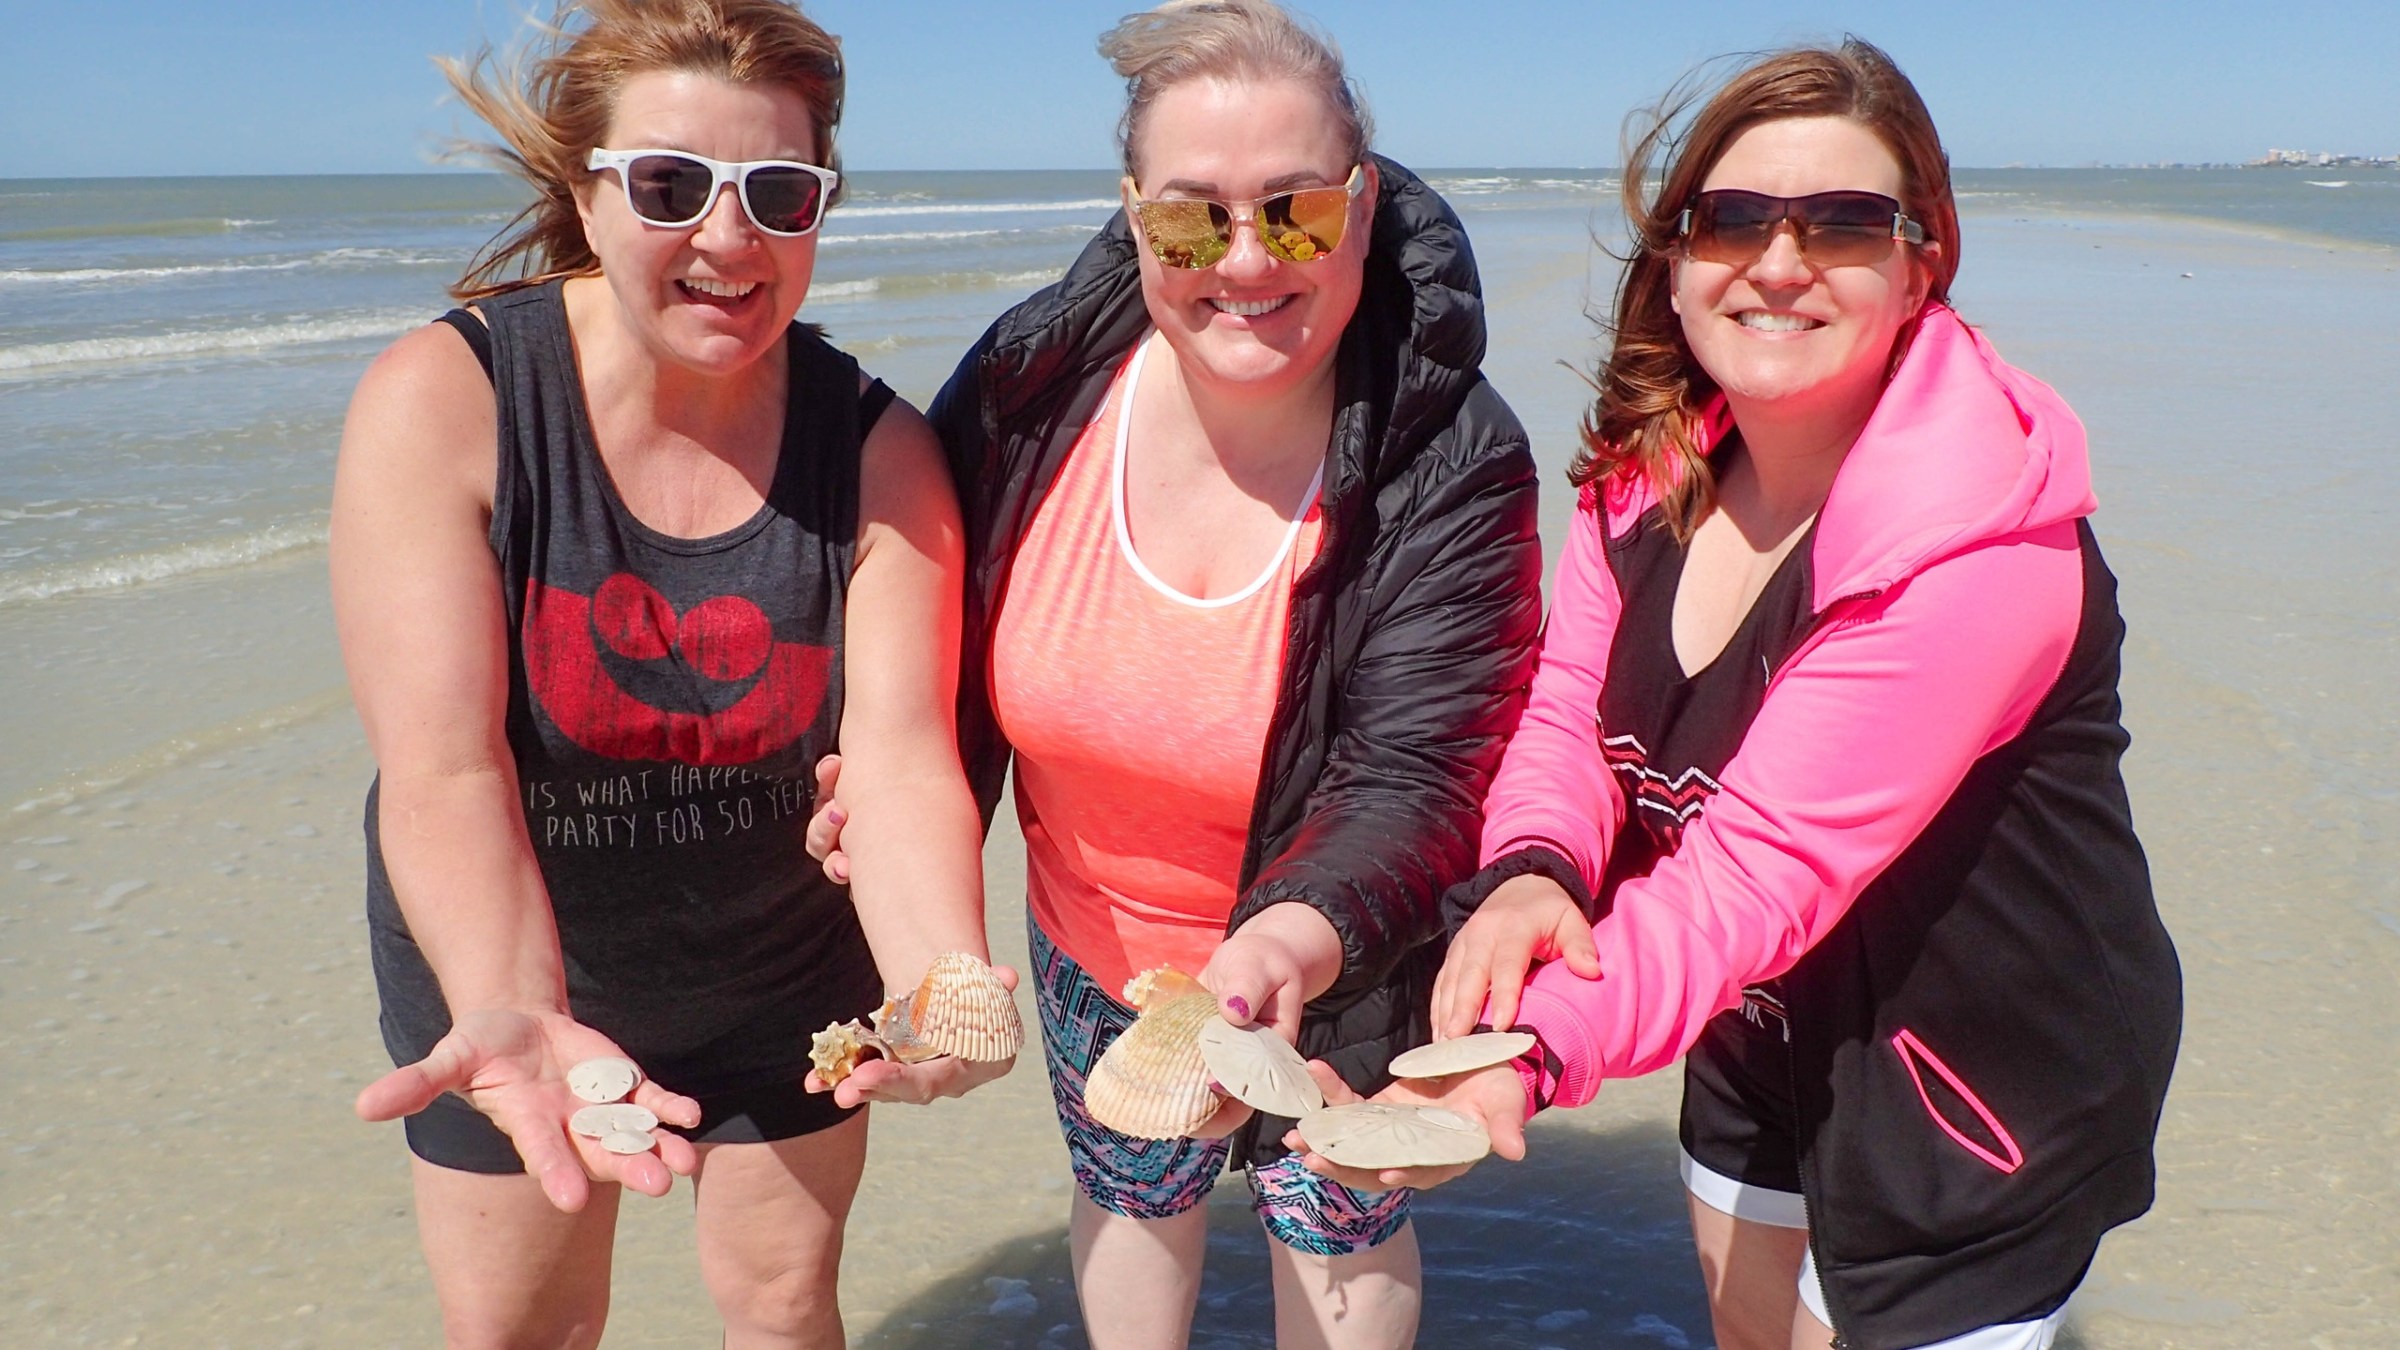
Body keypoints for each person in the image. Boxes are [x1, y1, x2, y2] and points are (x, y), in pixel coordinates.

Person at [1298, 40, 2183, 1350]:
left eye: (1841, 222)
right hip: (1753, 1023)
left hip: (1971, 1082)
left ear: (1920, 259)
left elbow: (1747, 877)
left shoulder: (1977, 556)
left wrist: (1524, 1047)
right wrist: (1538, 865)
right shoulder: (1651, 472)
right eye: (1733, 220)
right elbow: (1565, 715)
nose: (1779, 261)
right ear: (1678, 254)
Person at [808, 2, 1542, 1343]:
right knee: (1130, 1186)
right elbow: (919, 645)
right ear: (1136, 216)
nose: (1248, 261)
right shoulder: (1032, 387)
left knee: (1337, 1213)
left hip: (1340, 954)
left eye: (1297, 212)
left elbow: (1421, 772)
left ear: (1362, 210)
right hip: (1097, 943)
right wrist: (886, 829)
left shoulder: (1455, 454)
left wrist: (1279, 949)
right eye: (1195, 219)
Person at [329, 2, 1005, 1344]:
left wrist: (945, 987)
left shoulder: (878, 454)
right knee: (525, 1328)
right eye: (671, 185)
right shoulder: (448, 403)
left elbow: (903, 758)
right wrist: (511, 1003)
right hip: (513, 967)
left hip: (779, 975)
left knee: (779, 1301)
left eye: (779, 192)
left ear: (822, 209)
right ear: (590, 198)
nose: (728, 235)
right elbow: (444, 766)